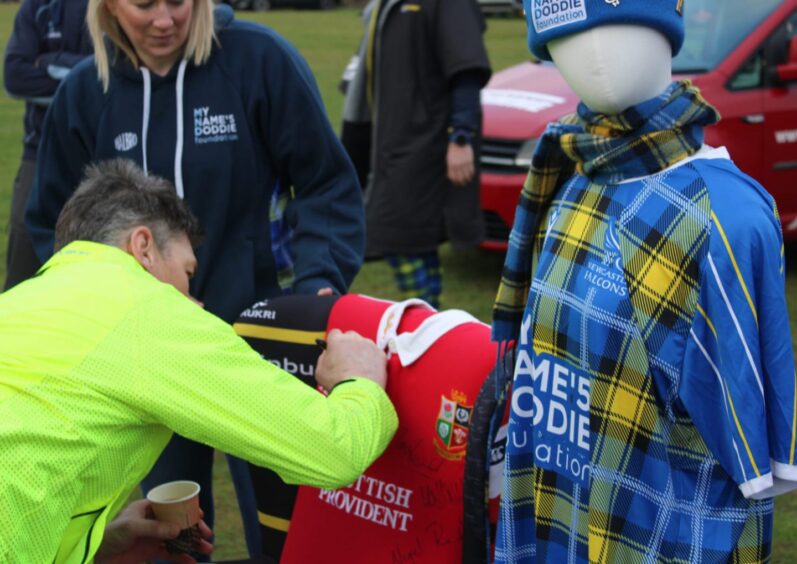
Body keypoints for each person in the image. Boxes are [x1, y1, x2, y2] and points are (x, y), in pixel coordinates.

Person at [24, 0, 366, 554]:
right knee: (171, 534)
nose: (164, 20)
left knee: (283, 526)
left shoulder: (260, 60)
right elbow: (54, 222)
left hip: (257, 340)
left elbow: (325, 181)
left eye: (178, 1)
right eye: (143, 4)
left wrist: (316, 284)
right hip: (146, 353)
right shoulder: (88, 90)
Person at [491, 1, 797, 562]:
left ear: (667, 25)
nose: (596, 56)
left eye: (618, 26)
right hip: (552, 522)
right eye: (566, 37)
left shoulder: (726, 217)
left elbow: (753, 468)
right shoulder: (572, 176)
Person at [0, 159, 397, 563]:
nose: (196, 301)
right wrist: (358, 379)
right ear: (143, 247)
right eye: (188, 273)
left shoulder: (19, 303)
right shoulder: (149, 312)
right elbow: (334, 450)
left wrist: (103, 542)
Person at [343, 0, 491, 308]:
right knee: (410, 238)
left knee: (402, 236)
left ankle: (426, 317)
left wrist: (460, 137)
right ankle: (428, 317)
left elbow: (465, 71)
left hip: (426, 142)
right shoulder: (385, 5)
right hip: (391, 141)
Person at [3, 0, 92, 290]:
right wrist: (84, 75)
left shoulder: (118, 7)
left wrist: (50, 62)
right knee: (23, 271)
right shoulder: (37, 7)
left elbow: (117, 70)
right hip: (38, 153)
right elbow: (15, 77)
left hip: (102, 153)